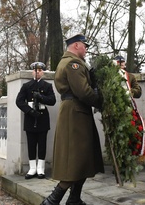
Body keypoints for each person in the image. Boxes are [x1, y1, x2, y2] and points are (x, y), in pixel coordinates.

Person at [41, 34, 104, 205]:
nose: (86, 49)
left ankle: (74, 199)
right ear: (76, 45)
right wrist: (99, 99)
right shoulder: (73, 63)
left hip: (77, 112)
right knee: (76, 160)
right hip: (75, 114)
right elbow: (83, 92)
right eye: (85, 46)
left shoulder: (72, 62)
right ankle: (52, 201)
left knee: (83, 159)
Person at [16, 62, 56, 180]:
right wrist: (29, 111)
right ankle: (32, 168)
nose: (37, 72)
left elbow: (52, 100)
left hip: (42, 118)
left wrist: (42, 97)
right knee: (31, 144)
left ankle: (41, 168)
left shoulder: (47, 86)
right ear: (32, 72)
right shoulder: (26, 86)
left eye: (39, 70)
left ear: (42, 72)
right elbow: (19, 101)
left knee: (42, 144)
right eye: (35, 70)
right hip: (30, 118)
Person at [114, 55, 145, 159]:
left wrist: (128, 91)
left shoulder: (130, 77)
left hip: (129, 111)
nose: (121, 64)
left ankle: (129, 159)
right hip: (115, 111)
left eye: (122, 62)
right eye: (119, 63)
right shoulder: (112, 78)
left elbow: (138, 92)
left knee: (130, 137)